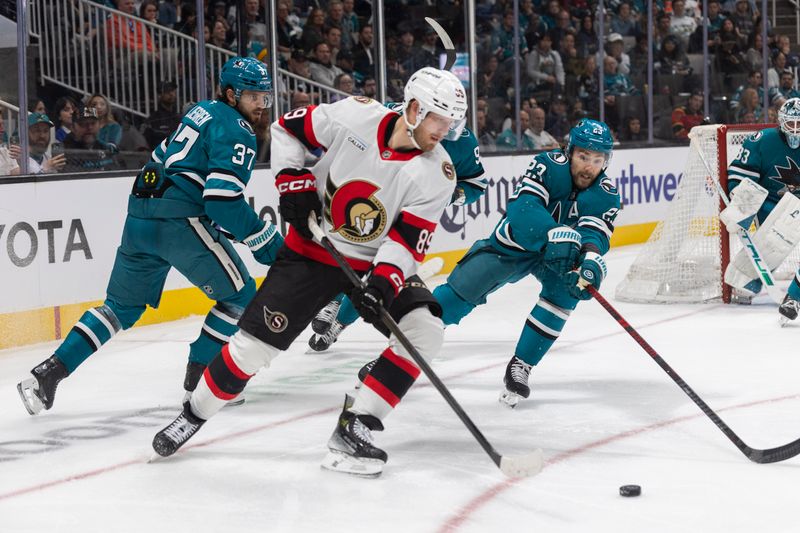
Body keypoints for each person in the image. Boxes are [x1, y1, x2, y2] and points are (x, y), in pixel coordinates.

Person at [151, 66, 468, 478]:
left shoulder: (437, 173)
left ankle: (357, 424)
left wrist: (384, 282)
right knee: (251, 350)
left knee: (425, 331)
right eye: (438, 119)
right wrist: (292, 182)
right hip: (311, 252)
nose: (445, 130)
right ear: (413, 108)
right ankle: (193, 415)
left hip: (372, 263)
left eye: (451, 122)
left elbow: (406, 241)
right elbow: (287, 130)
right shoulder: (357, 115)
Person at [16, 57, 283, 416]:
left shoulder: (199, 111)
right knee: (240, 297)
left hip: (141, 213)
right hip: (177, 219)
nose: (260, 107)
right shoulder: (238, 129)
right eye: (254, 97)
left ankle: (47, 374)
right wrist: (264, 239)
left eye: (265, 98)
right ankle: (201, 383)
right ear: (232, 93)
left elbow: (167, 162)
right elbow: (222, 202)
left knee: (120, 308)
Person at [433, 119, 619, 407]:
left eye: (597, 159)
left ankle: (522, 364)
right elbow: (523, 209)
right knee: (462, 289)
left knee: (566, 292)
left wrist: (590, 258)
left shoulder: (606, 193)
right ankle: (405, 347)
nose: (588, 167)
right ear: (569, 151)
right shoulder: (548, 165)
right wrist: (551, 234)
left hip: (559, 258)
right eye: (583, 156)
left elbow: (593, 232)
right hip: (515, 245)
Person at [308, 101, 488, 351]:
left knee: (377, 272)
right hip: (372, 202)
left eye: (449, 122)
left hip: (412, 216)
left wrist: (452, 194)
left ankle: (339, 322)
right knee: (352, 252)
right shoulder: (392, 115)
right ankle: (334, 302)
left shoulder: (463, 141)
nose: (444, 129)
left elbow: (477, 184)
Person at [717, 98, 800, 322]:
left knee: (782, 236)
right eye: (791, 124)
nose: (794, 130)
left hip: (797, 204)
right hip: (768, 200)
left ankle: (794, 296)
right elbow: (739, 173)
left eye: (799, 124)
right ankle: (746, 280)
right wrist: (742, 204)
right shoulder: (763, 139)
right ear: (781, 122)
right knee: (773, 243)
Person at [143, 80, 182, 148]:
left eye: (172, 91)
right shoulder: (153, 119)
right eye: (167, 92)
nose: (171, 94)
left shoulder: (179, 117)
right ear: (159, 95)